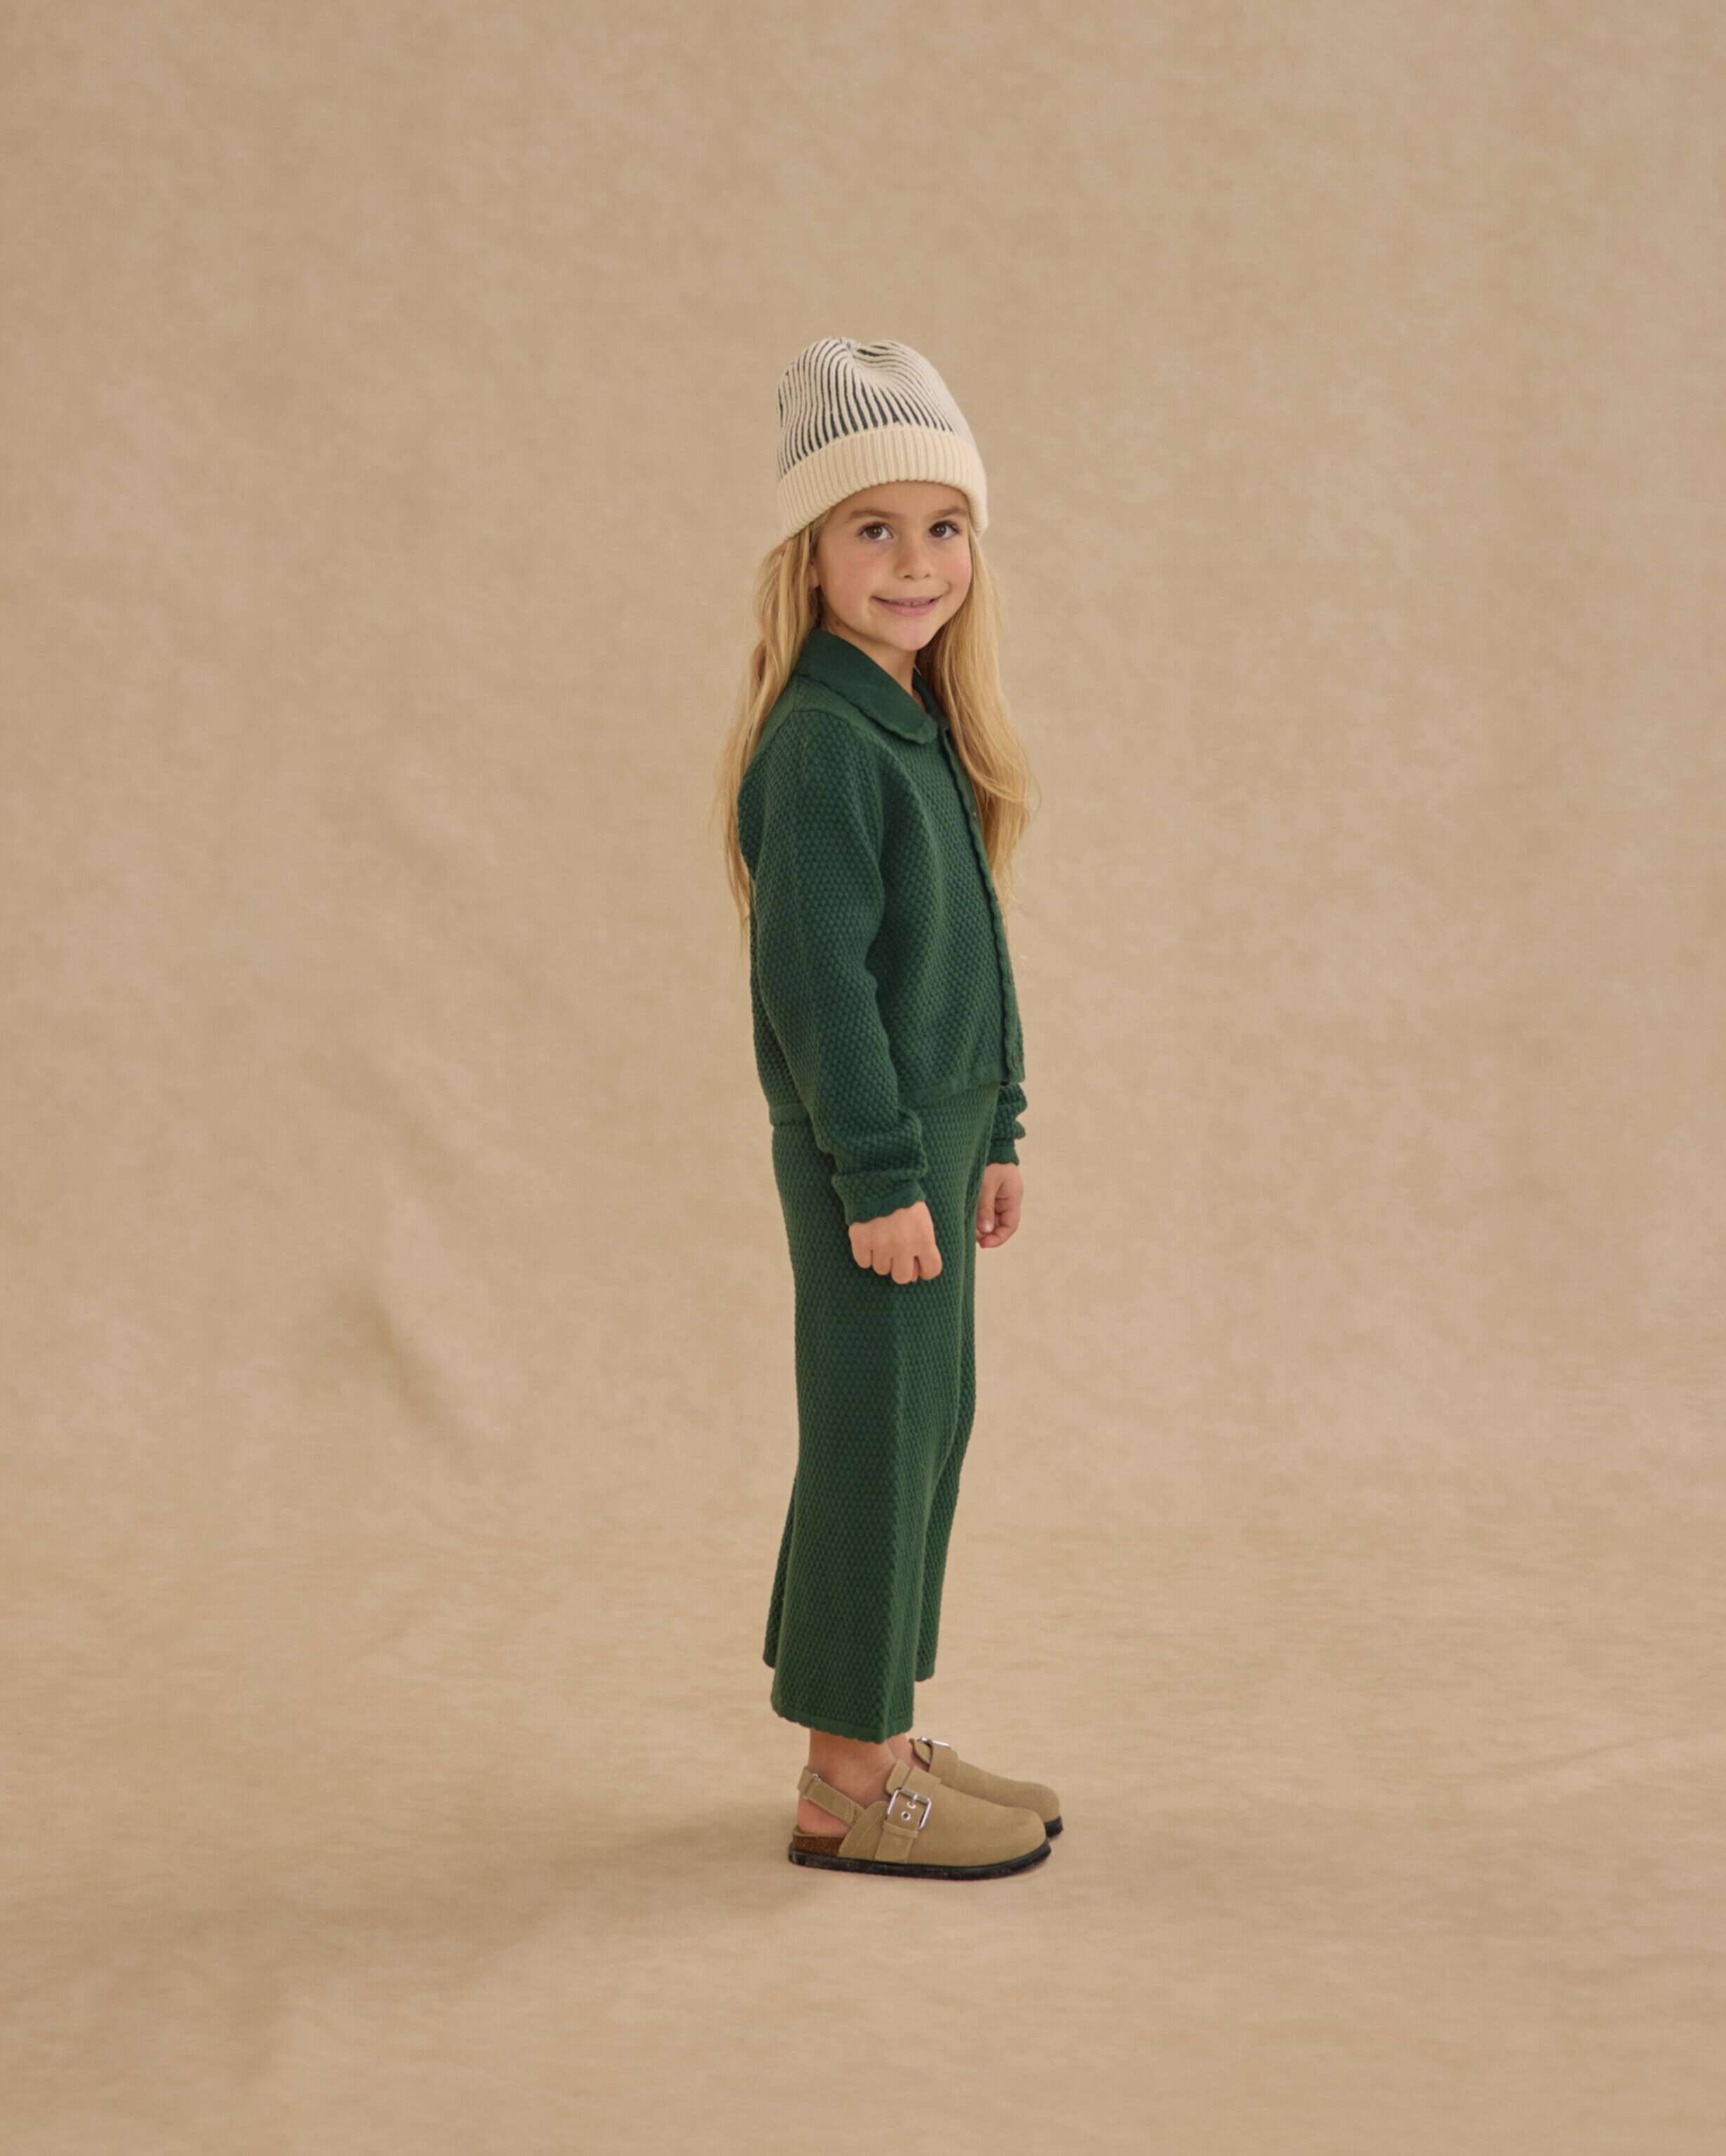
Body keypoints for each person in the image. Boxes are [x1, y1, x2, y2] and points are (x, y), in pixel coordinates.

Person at [711, 338, 1063, 1880]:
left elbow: (967, 951)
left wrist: (1000, 1130)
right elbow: (819, 989)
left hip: (929, 1149)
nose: (917, 562)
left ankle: (878, 1731)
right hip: (878, 1163)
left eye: (944, 526)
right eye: (875, 528)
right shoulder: (820, 746)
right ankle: (845, 1780)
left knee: (923, 1434)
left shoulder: (912, 726)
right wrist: (878, 1174)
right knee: (872, 1444)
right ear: (811, 555)